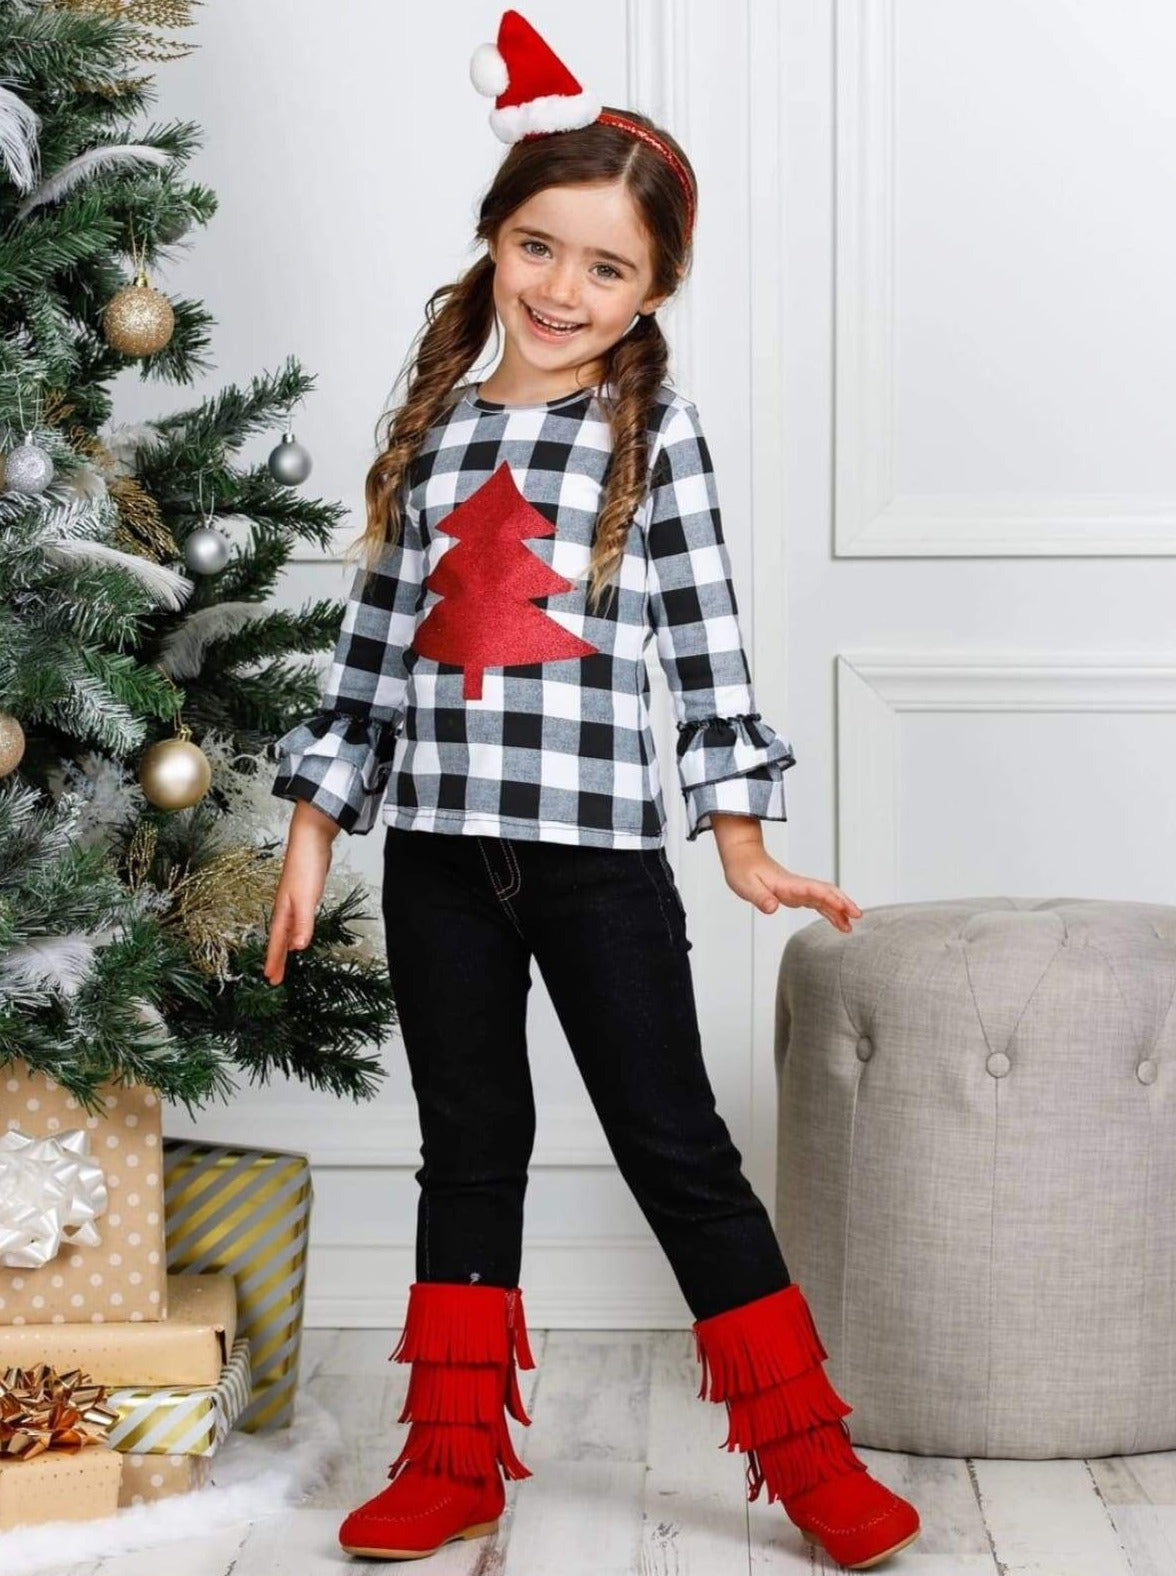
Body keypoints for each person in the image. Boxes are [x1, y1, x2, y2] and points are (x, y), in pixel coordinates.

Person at [263, 10, 920, 1569]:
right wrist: (311, 832)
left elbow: (705, 640)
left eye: (606, 269)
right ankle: (451, 1461)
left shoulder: (650, 430)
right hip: (438, 862)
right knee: (467, 1146)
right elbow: (370, 655)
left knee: (674, 1146)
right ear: (494, 240)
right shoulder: (431, 430)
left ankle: (807, 1457)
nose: (563, 290)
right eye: (538, 249)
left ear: (653, 290)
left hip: (595, 864)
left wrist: (740, 838)